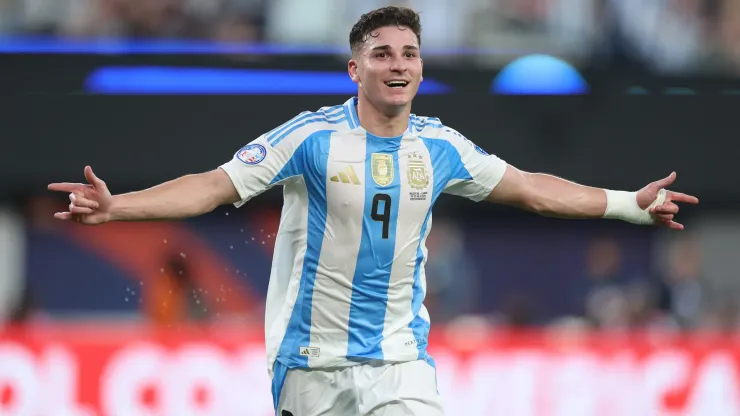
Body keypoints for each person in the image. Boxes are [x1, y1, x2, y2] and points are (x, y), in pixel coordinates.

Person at [47, 6, 699, 416]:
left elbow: (530, 187)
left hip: (399, 365)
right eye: (383, 54)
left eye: (409, 54)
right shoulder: (310, 137)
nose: (399, 65)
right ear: (355, 70)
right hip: (311, 367)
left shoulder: (440, 147)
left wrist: (628, 205)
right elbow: (214, 186)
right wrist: (119, 207)